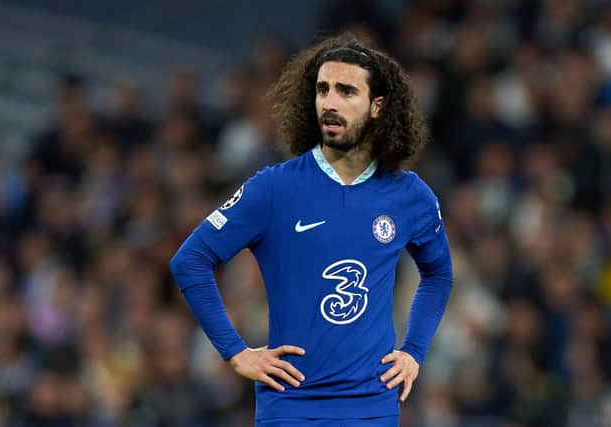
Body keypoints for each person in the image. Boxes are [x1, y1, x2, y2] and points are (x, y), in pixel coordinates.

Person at [170, 33, 454, 427]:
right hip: (290, 409)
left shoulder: (410, 196)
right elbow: (190, 261)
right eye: (323, 90)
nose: (330, 103)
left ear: (377, 106)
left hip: (373, 408)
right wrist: (236, 352)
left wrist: (414, 351)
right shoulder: (273, 189)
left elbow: (439, 274)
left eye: (346, 91)